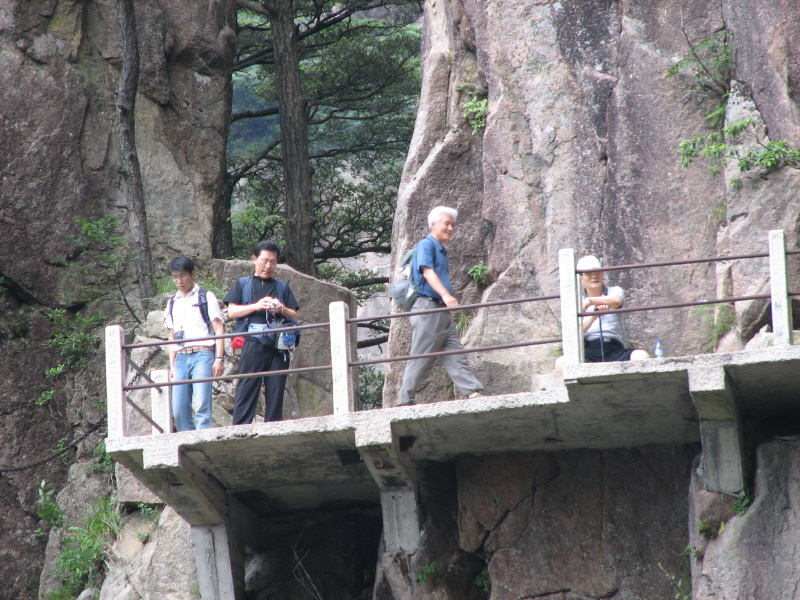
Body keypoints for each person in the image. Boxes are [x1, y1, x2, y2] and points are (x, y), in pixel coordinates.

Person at [397, 206, 485, 406]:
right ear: (433, 224)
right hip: (427, 308)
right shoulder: (426, 244)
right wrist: (446, 295)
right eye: (447, 224)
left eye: (453, 225)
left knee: (455, 352)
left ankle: (472, 392)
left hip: (439, 310)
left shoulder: (440, 249)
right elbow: (427, 271)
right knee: (421, 355)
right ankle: (405, 400)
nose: (451, 228)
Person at [225, 241, 300, 423]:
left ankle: (273, 429)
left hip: (278, 345)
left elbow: (294, 315)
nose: (268, 266)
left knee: (276, 390)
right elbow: (232, 312)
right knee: (247, 387)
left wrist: (281, 309)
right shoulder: (242, 284)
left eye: (273, 262)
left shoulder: (282, 287)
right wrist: (257, 306)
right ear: (254, 259)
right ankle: (240, 429)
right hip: (253, 341)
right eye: (264, 261)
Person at [555, 254, 649, 377]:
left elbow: (617, 301)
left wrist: (591, 301)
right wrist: (594, 316)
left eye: (597, 272)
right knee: (561, 363)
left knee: (641, 356)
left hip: (614, 347)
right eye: (588, 273)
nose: (594, 276)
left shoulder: (614, 291)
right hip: (589, 350)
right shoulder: (576, 301)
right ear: (581, 278)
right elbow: (574, 333)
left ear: (602, 274)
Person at [164, 256, 226, 431]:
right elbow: (171, 335)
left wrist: (219, 358)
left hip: (203, 354)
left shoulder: (205, 296)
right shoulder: (172, 302)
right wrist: (172, 366)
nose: (179, 281)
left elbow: (219, 327)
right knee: (178, 409)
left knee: (201, 405)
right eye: (175, 277)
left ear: (192, 274)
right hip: (181, 357)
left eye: (182, 276)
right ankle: (188, 441)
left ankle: (203, 441)